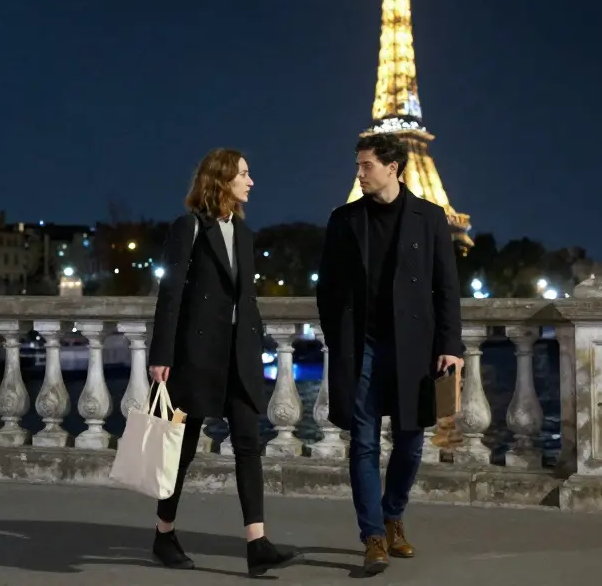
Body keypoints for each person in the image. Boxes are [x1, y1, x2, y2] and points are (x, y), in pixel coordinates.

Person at [147, 148, 300, 578]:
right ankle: (164, 532)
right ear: (222, 180)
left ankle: (257, 543)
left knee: (249, 444)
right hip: (197, 355)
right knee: (185, 448)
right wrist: (162, 354)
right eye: (245, 175)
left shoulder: (246, 234)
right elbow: (170, 294)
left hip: (240, 353)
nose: (251, 182)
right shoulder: (189, 229)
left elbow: (244, 301)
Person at [315, 133, 463, 575]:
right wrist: (337, 337)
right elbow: (327, 288)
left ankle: (393, 514)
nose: (359, 174)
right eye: (359, 166)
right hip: (361, 347)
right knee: (361, 443)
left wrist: (450, 346)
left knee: (411, 441)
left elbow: (447, 288)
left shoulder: (430, 217)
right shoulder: (344, 219)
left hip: (413, 348)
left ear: (392, 168)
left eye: (366, 166)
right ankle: (373, 535)